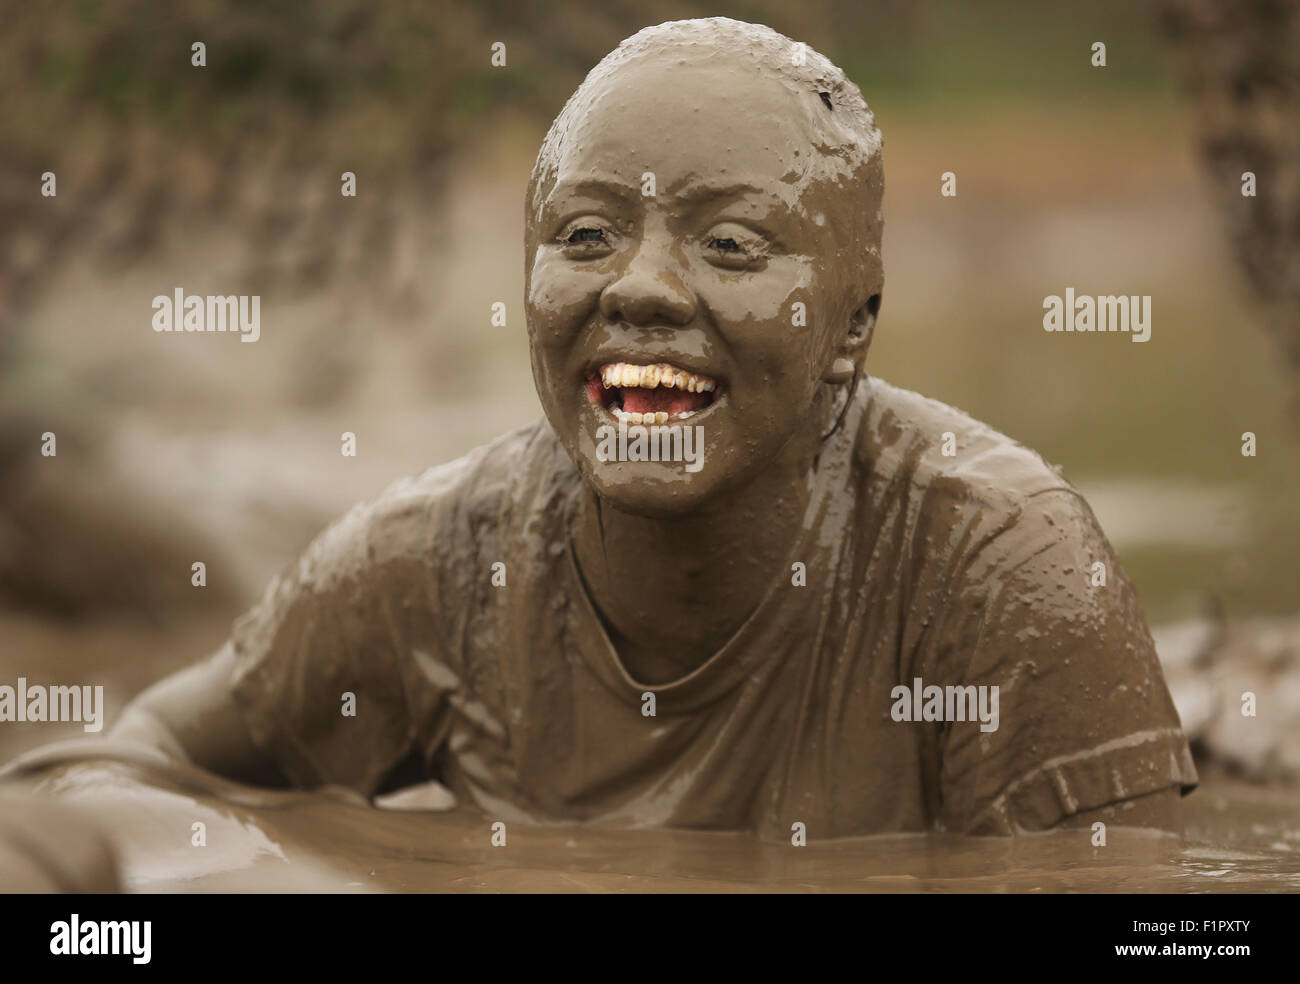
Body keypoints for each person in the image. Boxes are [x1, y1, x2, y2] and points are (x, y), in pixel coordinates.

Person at [107, 18, 1197, 838]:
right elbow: (120, 767)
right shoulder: (430, 567)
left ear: (852, 327)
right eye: (586, 233)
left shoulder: (1003, 571)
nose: (639, 289)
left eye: (729, 247)